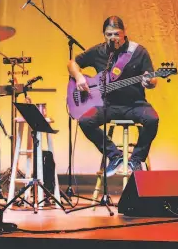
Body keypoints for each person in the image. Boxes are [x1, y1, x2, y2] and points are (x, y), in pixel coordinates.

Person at [68, 16, 159, 176]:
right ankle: (114, 156)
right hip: (106, 105)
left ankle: (136, 159)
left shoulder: (138, 52)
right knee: (85, 121)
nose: (113, 38)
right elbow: (72, 63)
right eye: (108, 34)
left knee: (152, 119)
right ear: (104, 35)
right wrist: (79, 77)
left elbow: (151, 77)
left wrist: (149, 81)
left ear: (124, 33)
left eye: (116, 34)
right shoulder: (99, 51)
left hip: (135, 104)